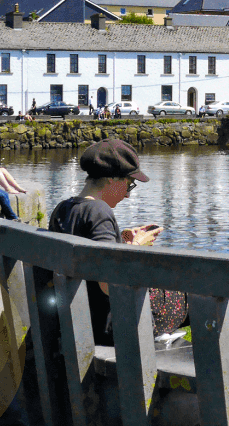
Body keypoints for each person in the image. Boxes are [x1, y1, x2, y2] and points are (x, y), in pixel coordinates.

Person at [47, 138, 177, 346]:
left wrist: (123, 239)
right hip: (108, 326)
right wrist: (136, 248)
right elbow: (109, 284)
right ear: (111, 179)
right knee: (189, 294)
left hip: (76, 318)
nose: (127, 194)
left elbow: (91, 254)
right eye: (128, 184)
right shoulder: (100, 211)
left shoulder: (63, 209)